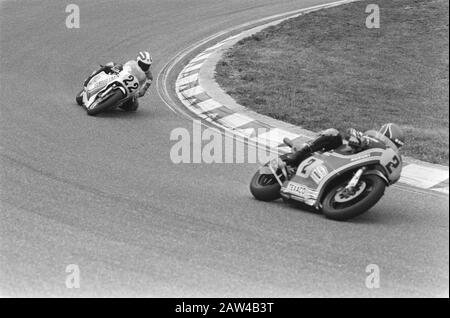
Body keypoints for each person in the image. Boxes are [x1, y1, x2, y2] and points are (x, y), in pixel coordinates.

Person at [283, 123, 405, 167]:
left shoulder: (387, 158)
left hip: (355, 167)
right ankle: (300, 152)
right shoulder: (368, 138)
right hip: (338, 155)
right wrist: (356, 138)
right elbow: (349, 133)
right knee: (333, 133)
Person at [81, 51, 153, 111]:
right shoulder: (132, 63)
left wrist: (140, 92)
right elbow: (124, 67)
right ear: (138, 61)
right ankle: (90, 79)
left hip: (131, 91)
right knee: (109, 65)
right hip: (120, 78)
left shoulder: (149, 76)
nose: (144, 67)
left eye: (146, 65)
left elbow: (145, 88)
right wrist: (116, 68)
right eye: (142, 64)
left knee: (134, 107)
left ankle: (113, 102)